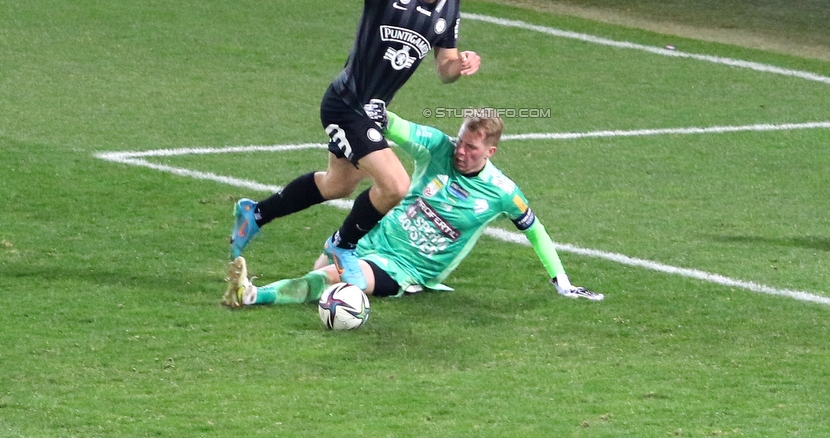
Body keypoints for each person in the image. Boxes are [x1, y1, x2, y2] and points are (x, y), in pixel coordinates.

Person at [229, 0, 482, 291]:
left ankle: (256, 213)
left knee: (337, 185)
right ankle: (343, 245)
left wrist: (458, 66)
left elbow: (445, 68)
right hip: (347, 104)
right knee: (396, 186)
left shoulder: (449, 8)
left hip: (373, 112)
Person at [222, 110, 603, 307]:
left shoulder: (503, 192)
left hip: (404, 269)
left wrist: (562, 282)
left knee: (329, 279)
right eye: (461, 141)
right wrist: (366, 108)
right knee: (319, 277)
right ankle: (267, 288)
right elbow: (398, 127)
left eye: (472, 148)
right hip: (368, 238)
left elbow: (534, 229)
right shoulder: (438, 148)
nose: (461, 151)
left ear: (491, 152)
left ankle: (253, 295)